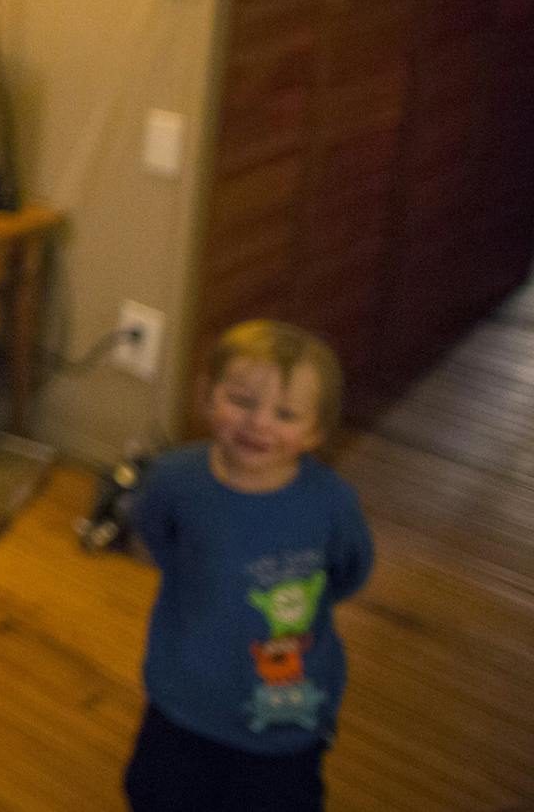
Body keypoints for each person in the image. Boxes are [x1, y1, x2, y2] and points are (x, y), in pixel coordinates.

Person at [123, 320, 374, 812]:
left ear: (316, 430)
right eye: (241, 401)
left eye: (285, 413)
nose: (258, 423)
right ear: (207, 396)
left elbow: (349, 570)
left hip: (287, 709)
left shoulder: (331, 504)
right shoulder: (175, 479)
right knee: (157, 793)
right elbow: (155, 534)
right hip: (183, 700)